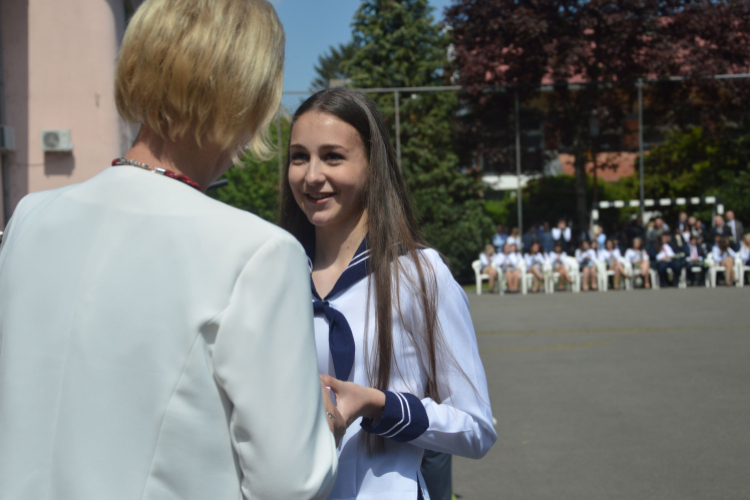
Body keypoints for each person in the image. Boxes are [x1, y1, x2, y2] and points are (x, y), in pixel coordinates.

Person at [0, 1, 339, 499]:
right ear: (248, 94)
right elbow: (289, 483)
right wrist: (326, 419)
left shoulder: (31, 217)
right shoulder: (258, 252)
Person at [280, 88, 496, 500]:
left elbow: (476, 428)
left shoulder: (418, 273)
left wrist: (378, 405)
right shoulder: (275, 272)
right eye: (299, 156)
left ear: (372, 165)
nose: (311, 175)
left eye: (333, 156)